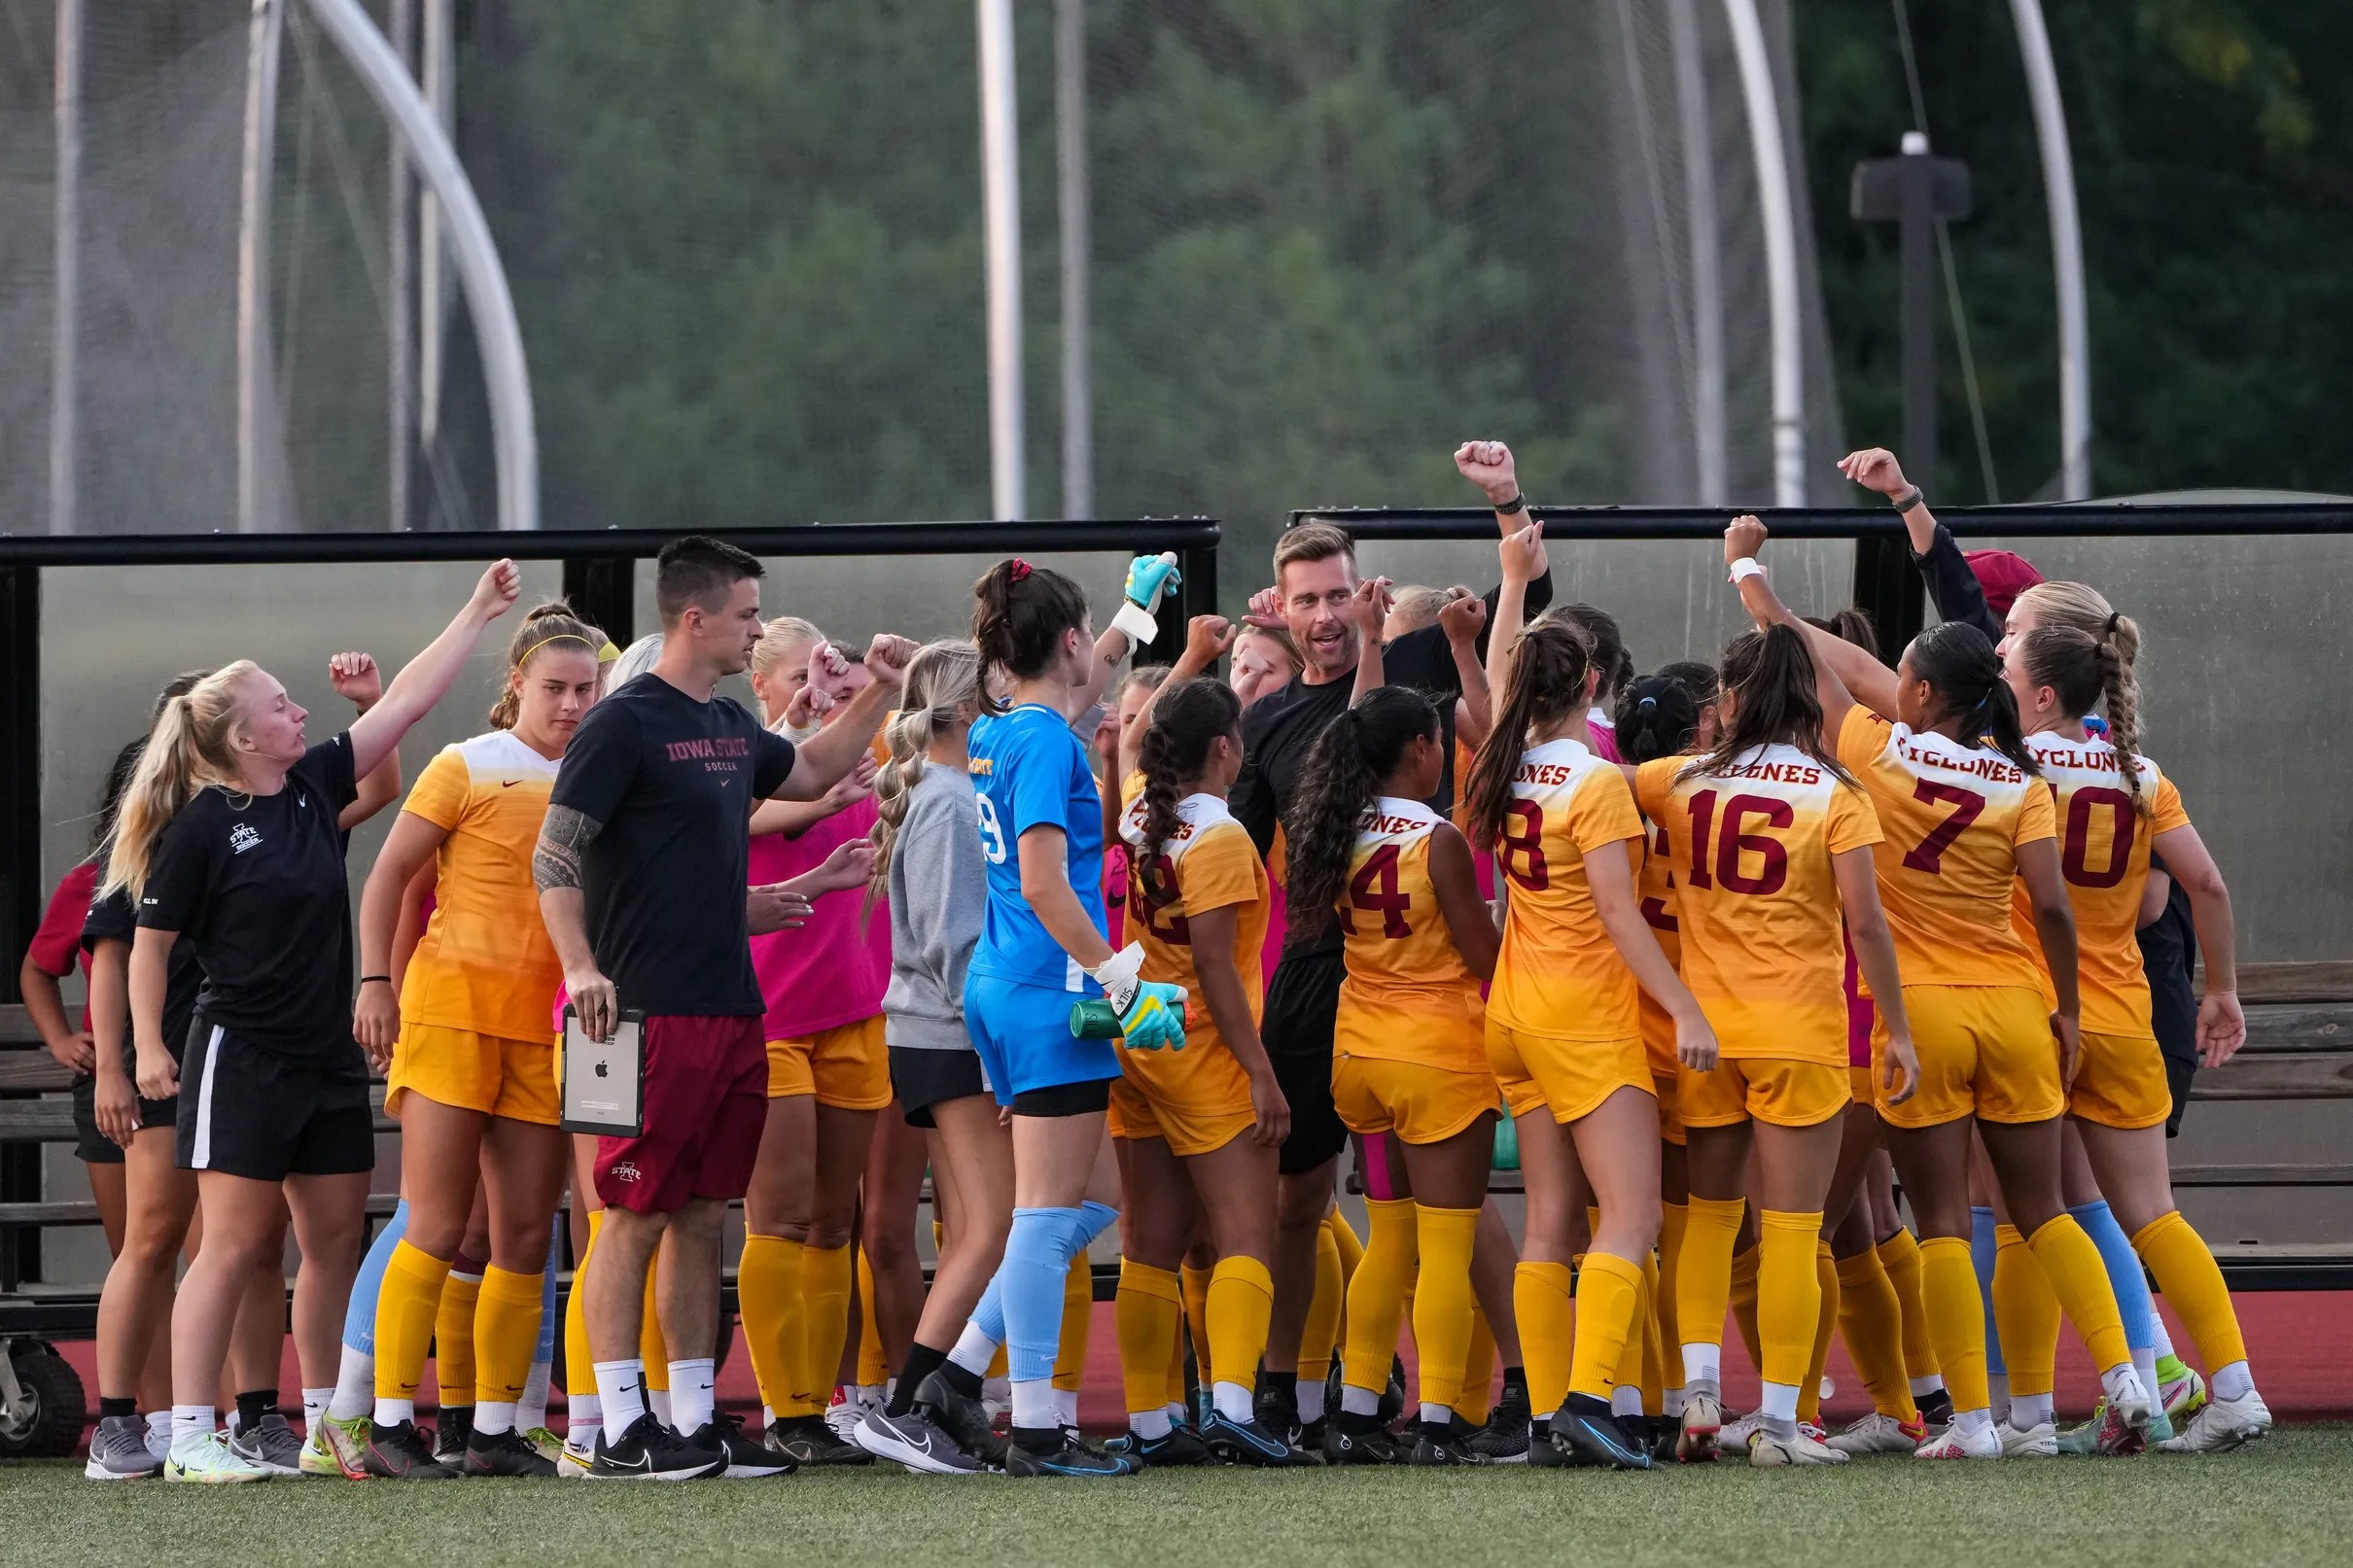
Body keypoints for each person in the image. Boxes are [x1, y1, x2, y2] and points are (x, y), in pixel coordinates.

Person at [1726, 517, 2157, 1461]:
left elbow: (1799, 649)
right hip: (2013, 1006)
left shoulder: (1879, 751)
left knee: (1936, 1224)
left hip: (1915, 1011)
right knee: (2039, 1210)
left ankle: (1970, 1420)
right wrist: (2067, 1010)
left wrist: (1746, 566)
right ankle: (2125, 1378)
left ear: (1919, 689)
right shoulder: (2021, 779)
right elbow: (2049, 910)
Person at [105, 566, 518, 1482]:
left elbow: (407, 703)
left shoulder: (312, 786)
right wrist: (149, 1048)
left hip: (326, 1058)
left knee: (331, 1241)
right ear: (243, 736)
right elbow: (147, 944)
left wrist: (479, 611)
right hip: (240, 1056)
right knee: (233, 1245)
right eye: (282, 705)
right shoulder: (206, 823)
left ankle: (331, 1423)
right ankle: (190, 1435)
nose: (301, 712)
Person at [535, 536, 913, 1481]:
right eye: (746, 614)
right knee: (625, 1215)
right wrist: (580, 966)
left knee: (705, 1212)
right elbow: (554, 856)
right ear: (693, 617)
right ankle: (616, 1426)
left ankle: (690, 1417)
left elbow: (816, 768)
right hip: (625, 1017)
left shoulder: (731, 722)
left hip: (731, 1008)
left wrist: (881, 687)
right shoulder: (619, 724)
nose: (756, 627)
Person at [1231, 439, 1548, 1443]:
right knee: (1306, 1199)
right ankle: (1294, 1384)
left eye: (1336, 594)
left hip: (1399, 980)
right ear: (1277, 609)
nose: (1325, 615)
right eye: (1306, 601)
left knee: (1441, 1212)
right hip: (1319, 983)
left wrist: (1504, 504)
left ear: (1360, 590)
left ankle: (1503, 1380)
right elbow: (1230, 852)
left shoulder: (1407, 671)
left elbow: (1521, 628)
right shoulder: (1267, 719)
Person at [904, 553, 1189, 1481]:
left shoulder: (1001, 726)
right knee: (1043, 1214)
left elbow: (1082, 675)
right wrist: (1120, 979)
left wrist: (1134, 612)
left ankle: (954, 1373)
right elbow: (1041, 882)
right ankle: (1033, 1424)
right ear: (1062, 642)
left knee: (1092, 1196)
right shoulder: (1051, 742)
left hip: (1006, 984)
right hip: (1043, 987)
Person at [332, 605, 611, 1479]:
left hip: (548, 1029)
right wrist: (375, 983)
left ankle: (491, 1430)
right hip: (452, 1009)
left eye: (584, 688)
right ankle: (386, 1423)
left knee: (527, 1233)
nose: (570, 703)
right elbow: (385, 878)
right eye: (554, 688)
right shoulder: (466, 765)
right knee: (440, 1223)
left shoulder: (606, 772)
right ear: (517, 687)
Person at [1631, 623, 1917, 1468]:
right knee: (1792, 1232)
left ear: (1725, 702)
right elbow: (1865, 923)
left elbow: (1591, 784)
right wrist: (1897, 1031)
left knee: (1711, 1223)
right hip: (1800, 1032)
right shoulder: (1839, 793)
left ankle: (1699, 1397)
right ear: (1813, 702)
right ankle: (1782, 1427)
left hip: (1708, 1036)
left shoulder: (1676, 780)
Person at [1995, 595, 2270, 1452]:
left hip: (2033, 1013)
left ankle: (2027, 1416)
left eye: (2010, 663)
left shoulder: (2003, 763)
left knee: (2019, 1213)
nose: (1999, 671)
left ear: (2042, 694)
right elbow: (2207, 888)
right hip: (2122, 1014)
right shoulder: (2139, 774)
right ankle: (2234, 1389)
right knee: (2152, 1212)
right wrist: (2221, 989)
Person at [1464, 610, 1718, 1470]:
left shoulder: (1508, 768)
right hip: (1583, 1018)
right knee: (1634, 1215)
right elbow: (1617, 911)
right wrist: (1684, 1006)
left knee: (1547, 1223)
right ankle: (1583, 1402)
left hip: (1516, 1011)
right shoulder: (1597, 781)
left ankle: (1545, 1418)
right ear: (1592, 686)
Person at [1282, 686, 1494, 1467]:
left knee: (1390, 1237)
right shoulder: (1435, 837)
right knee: (1445, 1245)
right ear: (1421, 747)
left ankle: (1359, 1413)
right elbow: (1482, 956)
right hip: (1434, 1051)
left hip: (1359, 1052)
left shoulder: (1336, 824)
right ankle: (1437, 1417)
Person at [1109, 677, 1297, 1465]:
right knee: (1246, 1235)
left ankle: (1151, 1420)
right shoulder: (1219, 839)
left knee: (1151, 1241)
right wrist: (1261, 1072)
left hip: (1136, 1033)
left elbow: (1128, 742)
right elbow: (1217, 969)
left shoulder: (1139, 810)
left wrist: (1189, 662)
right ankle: (1231, 1406)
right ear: (1225, 748)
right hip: (1200, 1045)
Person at [738, 616, 896, 1466]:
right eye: (800, 676)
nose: (819, 688)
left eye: (831, 674)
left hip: (853, 1011)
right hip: (770, 1017)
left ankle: (828, 1406)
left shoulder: (863, 761)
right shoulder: (749, 757)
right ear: (761, 684)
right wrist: (800, 728)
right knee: (783, 1216)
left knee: (838, 1220)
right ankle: (785, 1409)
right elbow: (746, 816)